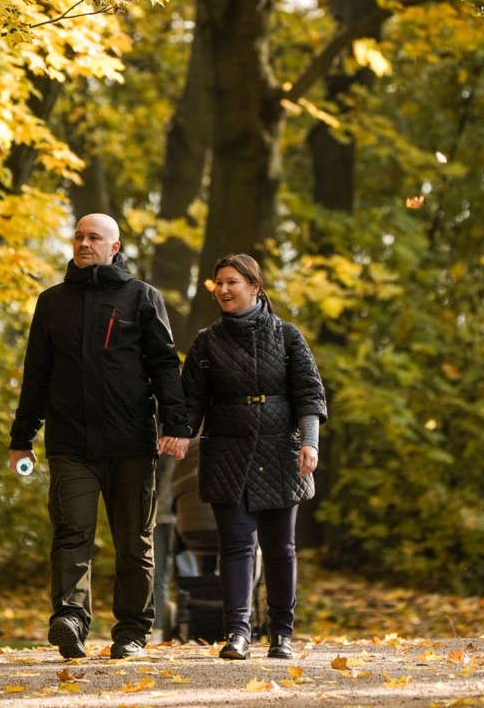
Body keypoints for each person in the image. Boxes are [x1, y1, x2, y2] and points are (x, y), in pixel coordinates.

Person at [8, 213, 191, 660]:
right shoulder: (51, 302)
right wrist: (22, 437)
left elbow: (166, 366)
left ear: (115, 246)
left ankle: (131, 631)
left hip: (131, 442)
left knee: (134, 541)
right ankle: (70, 619)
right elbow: (36, 375)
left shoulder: (142, 298)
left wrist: (177, 426)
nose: (84, 243)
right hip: (72, 444)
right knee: (71, 533)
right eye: (78, 236)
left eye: (94, 237)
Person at [180, 253, 327, 661]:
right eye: (218, 284)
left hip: (281, 451)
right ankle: (238, 634)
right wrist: (176, 435)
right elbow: (190, 402)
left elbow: (308, 394)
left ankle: (281, 634)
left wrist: (309, 442)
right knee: (236, 546)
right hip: (227, 452)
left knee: (281, 548)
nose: (223, 290)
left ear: (254, 287)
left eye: (231, 282)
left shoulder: (287, 335)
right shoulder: (207, 342)